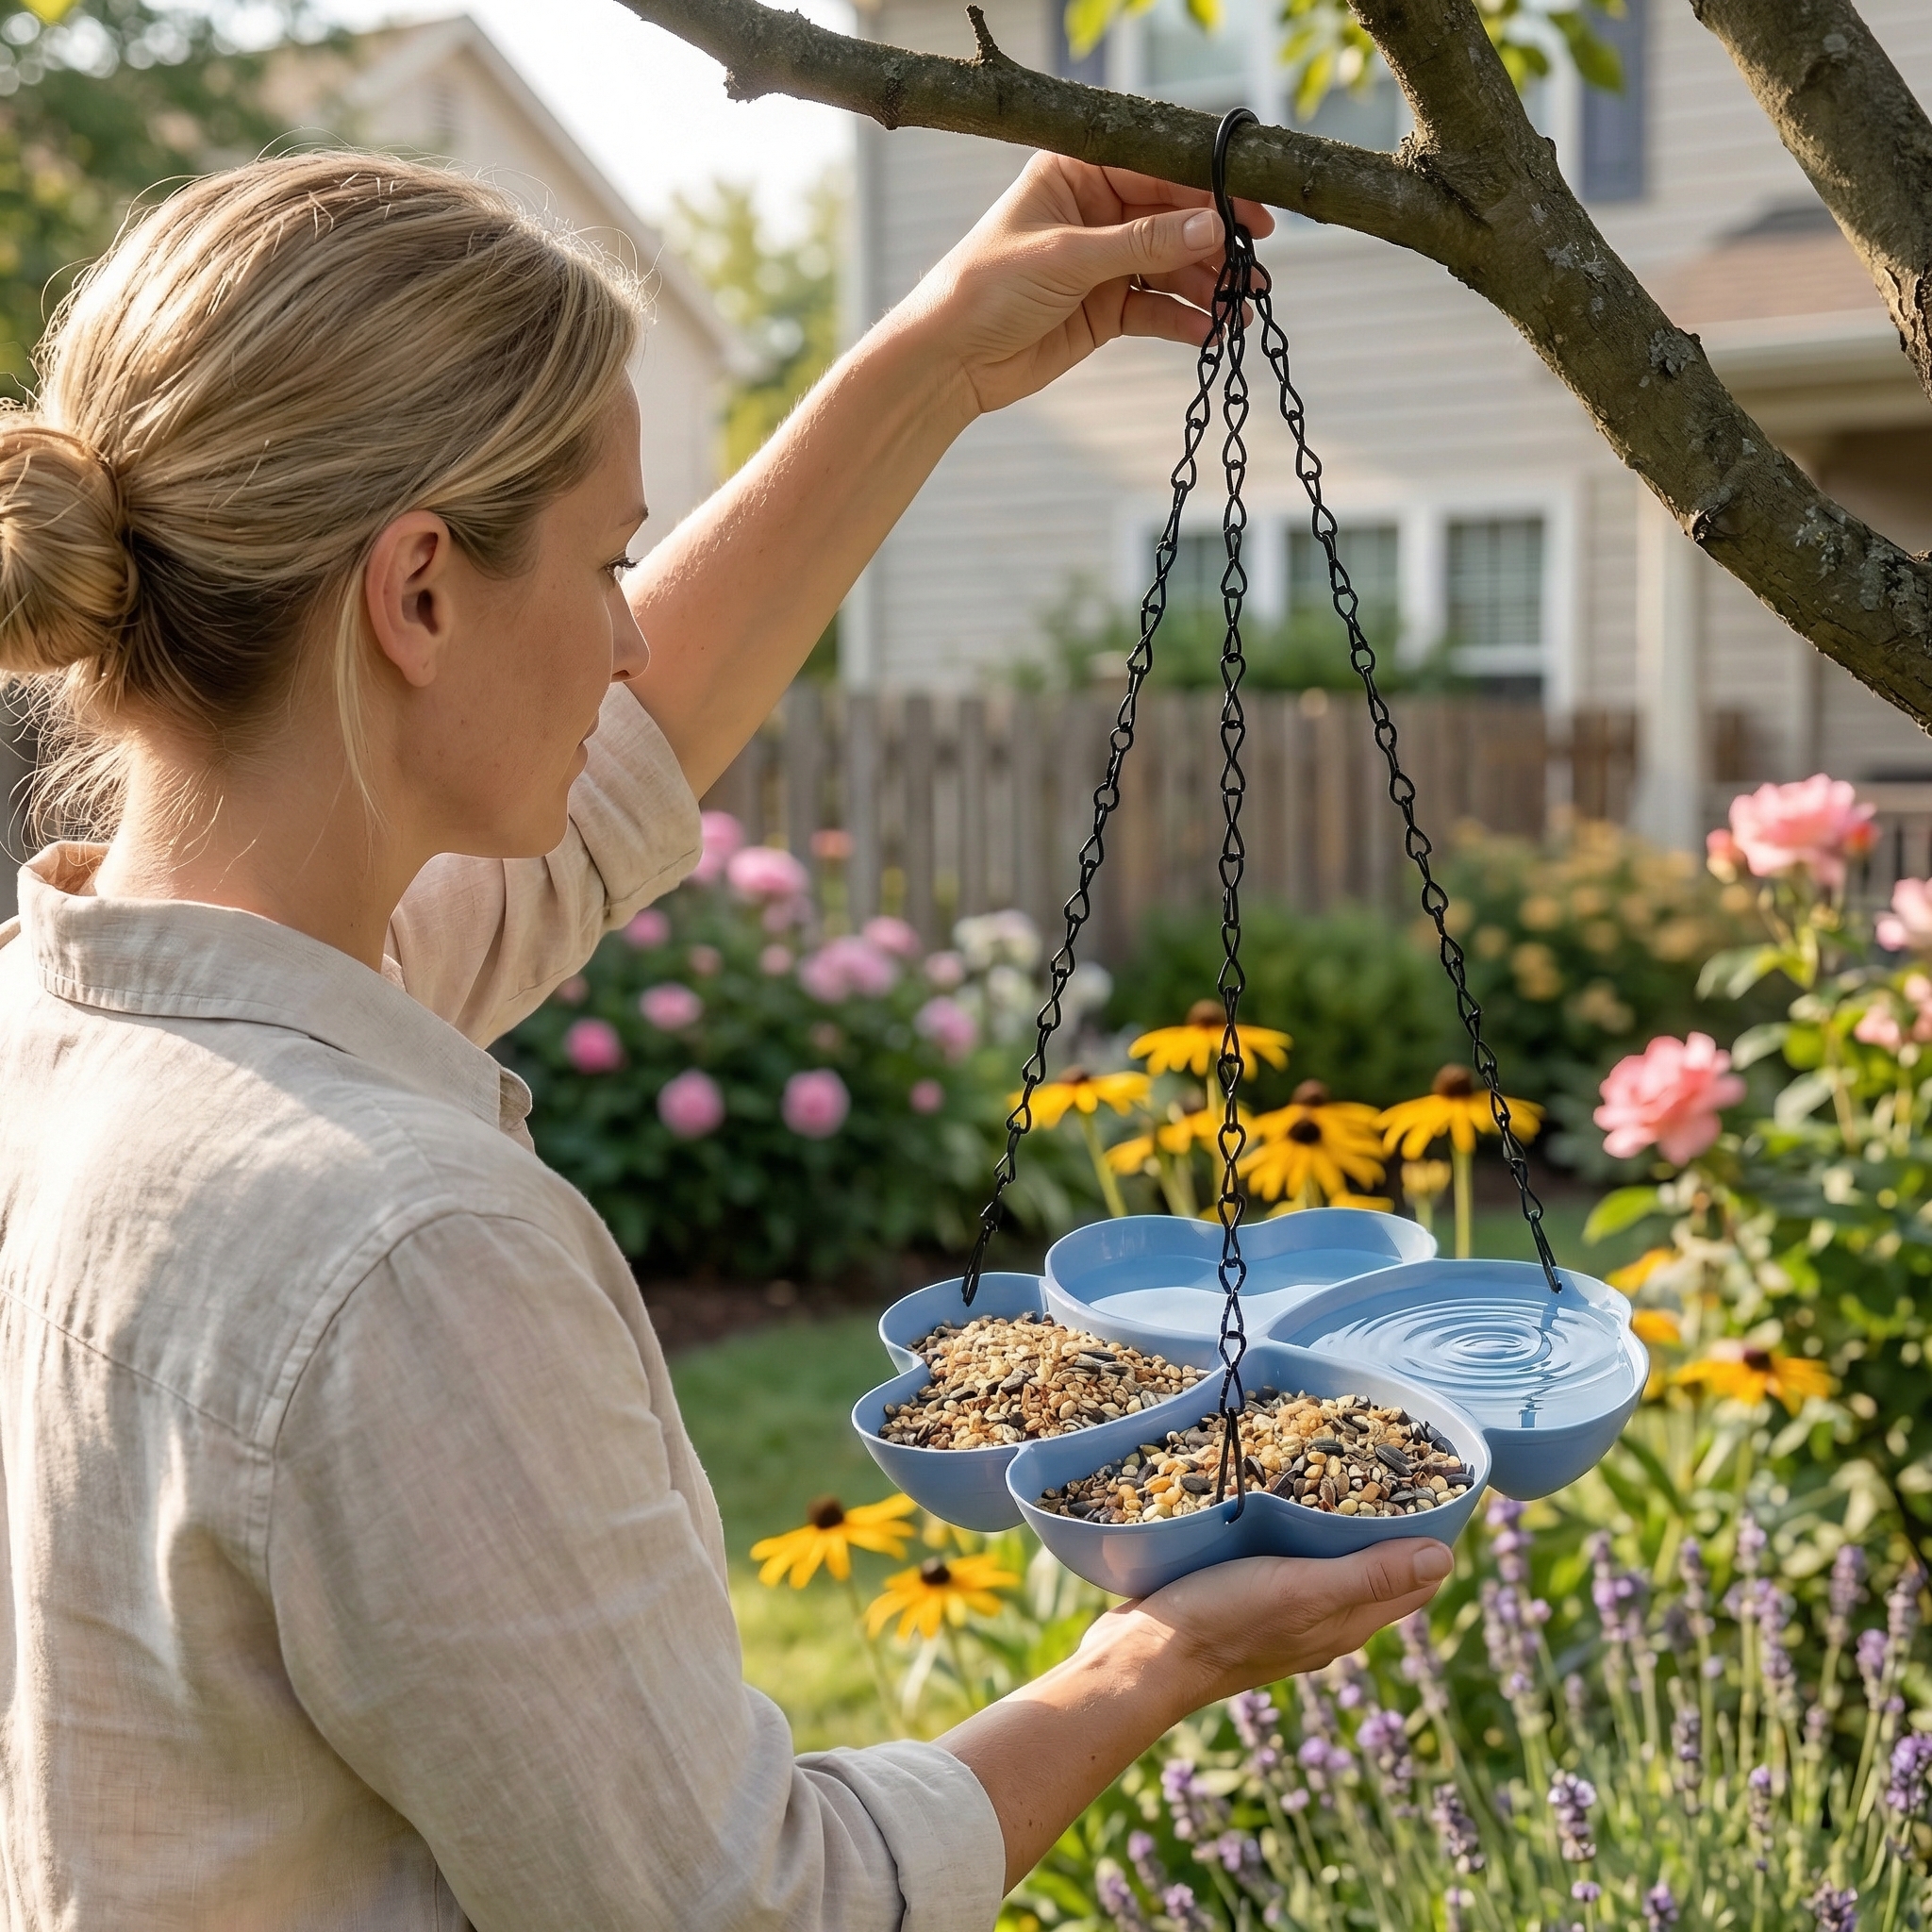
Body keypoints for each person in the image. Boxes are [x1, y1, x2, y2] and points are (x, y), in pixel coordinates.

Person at [0, 151, 1451, 1927]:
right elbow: (742, 1905)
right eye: (609, 560)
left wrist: (932, 362)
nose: (625, 637)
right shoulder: (396, 1249)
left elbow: (619, 759)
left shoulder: (75, 1034)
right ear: (421, 595)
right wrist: (1146, 1665)